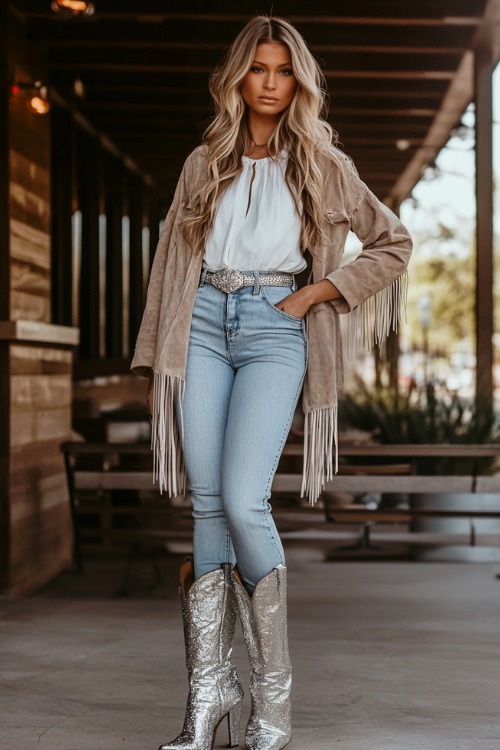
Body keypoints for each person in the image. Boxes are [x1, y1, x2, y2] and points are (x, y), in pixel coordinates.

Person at [131, 15, 412, 750]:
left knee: (246, 502)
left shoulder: (323, 164)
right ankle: (208, 697)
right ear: (238, 77)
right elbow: (170, 261)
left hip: (274, 327)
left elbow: (393, 243)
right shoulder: (205, 162)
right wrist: (161, 346)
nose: (270, 83)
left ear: (299, 82)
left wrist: (318, 294)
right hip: (200, 326)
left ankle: (274, 703)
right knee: (208, 504)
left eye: (283, 71)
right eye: (258, 69)